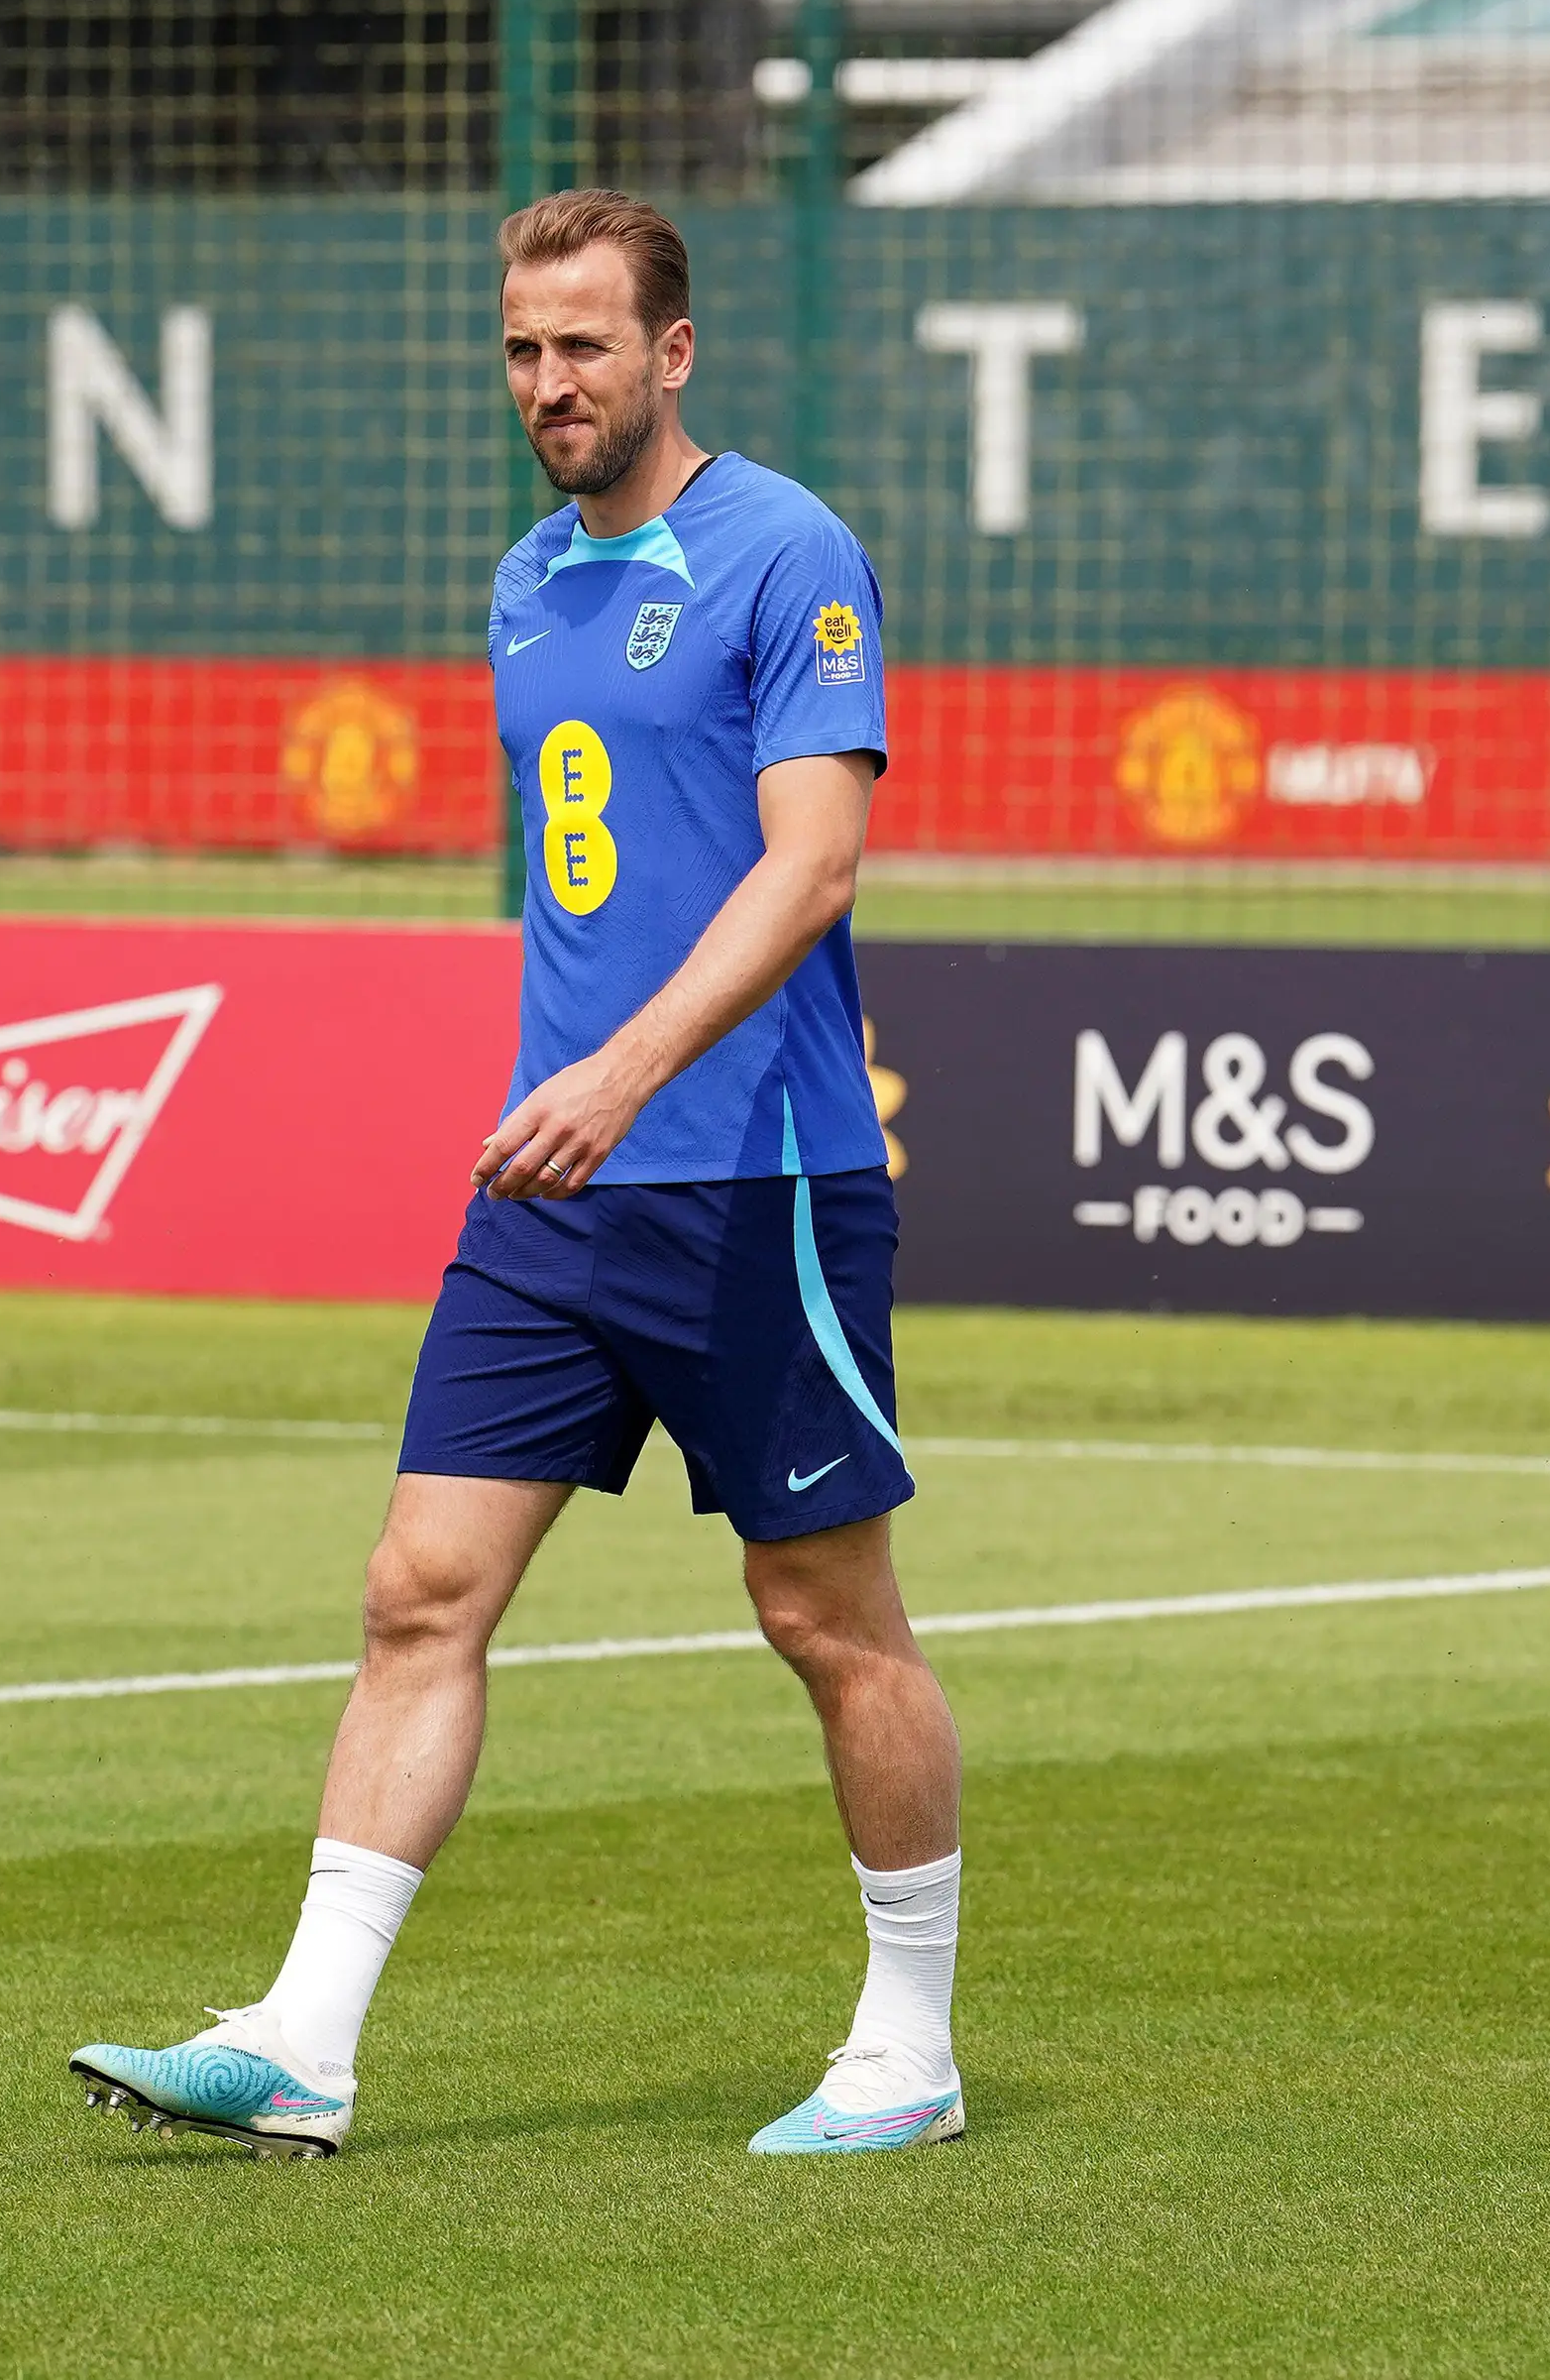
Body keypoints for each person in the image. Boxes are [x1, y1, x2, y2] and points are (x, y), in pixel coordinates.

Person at [68, 188, 964, 2160]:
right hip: (553, 1193)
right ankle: (304, 2035)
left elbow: (811, 865)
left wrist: (628, 1074)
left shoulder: (787, 551)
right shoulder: (525, 579)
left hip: (756, 1178)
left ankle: (910, 2038)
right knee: (418, 1591)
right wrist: (578, 1095)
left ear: (674, 351)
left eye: (585, 344)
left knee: (827, 1620)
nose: (550, 382)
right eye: (522, 350)